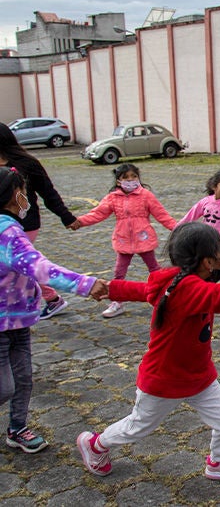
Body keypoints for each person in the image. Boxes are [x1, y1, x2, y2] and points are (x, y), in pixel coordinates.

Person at [76, 222, 220, 483]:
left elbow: (144, 290)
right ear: (208, 261)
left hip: (198, 376)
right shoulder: (189, 288)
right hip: (164, 380)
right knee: (137, 427)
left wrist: (113, 289)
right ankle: (96, 445)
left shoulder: (178, 281)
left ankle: (217, 463)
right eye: (219, 249)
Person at [0, 167, 108, 453]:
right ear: (14, 195)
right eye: (25, 193)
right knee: (5, 387)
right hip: (2, 323)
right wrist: (86, 284)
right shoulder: (7, 232)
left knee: (23, 379)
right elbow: (40, 268)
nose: (28, 199)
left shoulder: (11, 228)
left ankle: (17, 428)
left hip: (18, 321)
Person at [69, 164, 177, 319]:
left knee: (154, 270)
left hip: (143, 238)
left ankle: (164, 296)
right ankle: (117, 301)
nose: (130, 180)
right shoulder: (112, 197)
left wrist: (178, 228)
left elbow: (162, 215)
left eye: (134, 176)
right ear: (118, 181)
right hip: (123, 240)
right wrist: (79, 222)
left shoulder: (145, 195)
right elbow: (98, 213)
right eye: (126, 177)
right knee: (119, 272)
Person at [0, 123, 78, 320]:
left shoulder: (26, 163)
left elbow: (48, 192)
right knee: (17, 265)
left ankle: (49, 300)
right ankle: (50, 300)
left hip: (23, 224)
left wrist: (67, 217)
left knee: (23, 264)